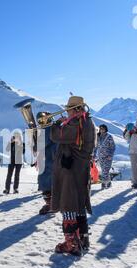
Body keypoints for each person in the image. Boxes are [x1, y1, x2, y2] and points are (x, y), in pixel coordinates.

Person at [50, 96, 96, 256]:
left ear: (76, 109)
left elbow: (56, 136)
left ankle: (72, 244)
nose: (67, 112)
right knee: (79, 207)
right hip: (80, 171)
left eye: (69, 109)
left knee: (68, 207)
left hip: (71, 173)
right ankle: (83, 240)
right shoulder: (86, 122)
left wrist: (56, 123)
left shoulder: (77, 124)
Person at [35, 112, 58, 215]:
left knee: (46, 184)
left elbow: (38, 147)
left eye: (40, 120)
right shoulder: (54, 127)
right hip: (52, 159)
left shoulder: (47, 130)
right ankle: (53, 204)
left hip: (48, 161)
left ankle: (51, 205)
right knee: (52, 183)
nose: (39, 122)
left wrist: (35, 138)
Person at [94, 124, 116, 189]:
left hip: (108, 156)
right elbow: (95, 147)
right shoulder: (98, 137)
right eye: (100, 128)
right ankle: (109, 182)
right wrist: (94, 154)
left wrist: (110, 155)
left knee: (105, 170)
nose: (101, 130)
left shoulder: (109, 137)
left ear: (105, 129)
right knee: (104, 170)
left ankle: (103, 183)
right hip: (100, 156)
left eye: (103, 128)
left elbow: (113, 147)